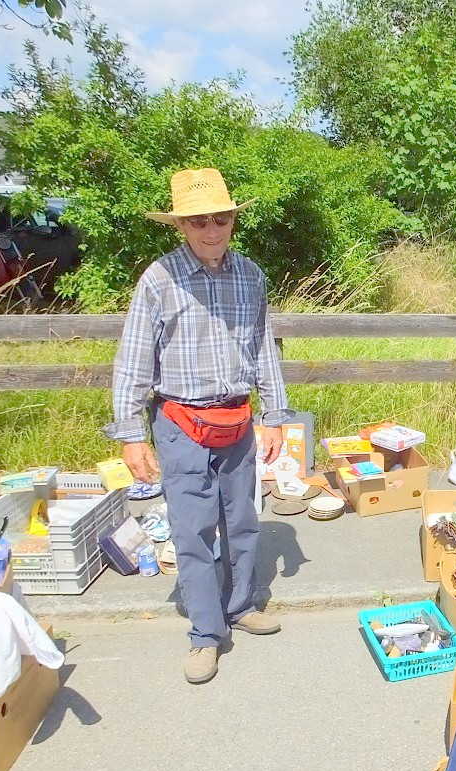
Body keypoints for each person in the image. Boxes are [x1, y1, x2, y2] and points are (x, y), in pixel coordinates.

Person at [105, 168, 292, 684]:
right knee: (193, 530)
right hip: (180, 422)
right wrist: (129, 435)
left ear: (233, 220)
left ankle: (241, 606)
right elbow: (134, 360)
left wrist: (274, 416)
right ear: (181, 226)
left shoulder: (251, 275)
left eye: (221, 218)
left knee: (243, 520)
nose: (212, 229)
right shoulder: (159, 280)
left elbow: (262, 351)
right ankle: (205, 634)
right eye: (198, 221)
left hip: (236, 418)